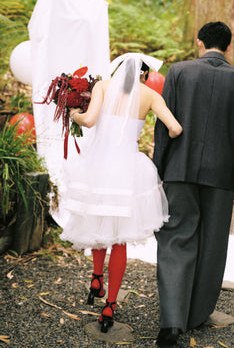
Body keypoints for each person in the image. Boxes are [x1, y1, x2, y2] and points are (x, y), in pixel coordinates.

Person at [56, 53, 182, 333]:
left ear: (118, 69)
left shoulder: (102, 86)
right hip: (129, 169)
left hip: (97, 166)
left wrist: (72, 113)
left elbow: (88, 121)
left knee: (100, 222)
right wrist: (167, 140)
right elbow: (175, 128)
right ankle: (110, 305)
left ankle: (96, 277)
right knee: (120, 238)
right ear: (145, 74)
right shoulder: (150, 95)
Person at [153, 21, 234, 347]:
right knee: (212, 246)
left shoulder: (178, 72)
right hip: (222, 177)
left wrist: (158, 170)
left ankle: (171, 324)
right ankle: (195, 316)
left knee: (174, 241)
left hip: (179, 171)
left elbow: (163, 125)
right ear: (228, 46)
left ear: (199, 42)